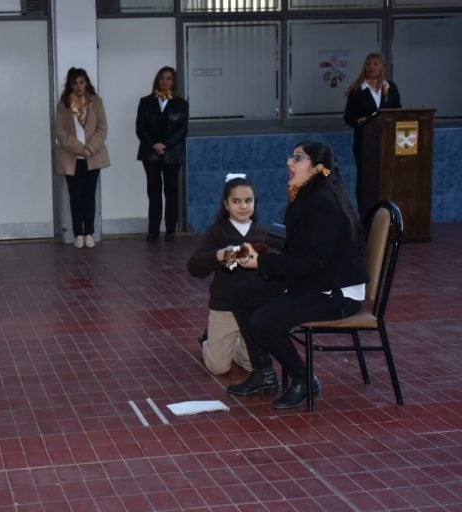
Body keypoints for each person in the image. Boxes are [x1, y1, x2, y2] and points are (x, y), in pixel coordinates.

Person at [226, 141, 368, 409]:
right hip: (315, 281)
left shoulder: (322, 202)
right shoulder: (309, 195)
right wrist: (264, 256)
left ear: (316, 168)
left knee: (263, 321)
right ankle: (264, 373)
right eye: (292, 157)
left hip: (336, 292)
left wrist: (262, 263)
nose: (289, 163)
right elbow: (303, 252)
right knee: (240, 294)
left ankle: (304, 379)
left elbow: (311, 261)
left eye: (298, 158)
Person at [187, 174, 267, 375]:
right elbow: (195, 267)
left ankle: (239, 344)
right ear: (226, 204)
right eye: (236, 201)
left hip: (253, 308)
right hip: (224, 307)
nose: (243, 206)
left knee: (253, 365)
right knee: (218, 368)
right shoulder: (217, 232)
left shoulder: (263, 234)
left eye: (248, 201)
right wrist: (219, 255)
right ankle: (208, 341)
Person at [55, 67, 111, 249]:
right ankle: (78, 233)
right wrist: (79, 148)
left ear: (86, 83)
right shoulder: (63, 105)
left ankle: (89, 233)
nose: (78, 86)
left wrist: (90, 148)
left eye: (81, 82)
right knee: (75, 195)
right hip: (72, 157)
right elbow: (60, 132)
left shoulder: (96, 102)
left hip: (92, 156)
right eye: (74, 83)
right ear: (70, 86)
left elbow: (102, 128)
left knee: (89, 195)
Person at [136, 66, 189, 243]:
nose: (164, 82)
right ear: (156, 81)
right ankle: (153, 231)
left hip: (172, 154)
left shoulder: (181, 104)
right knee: (154, 191)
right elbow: (140, 128)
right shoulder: (145, 102)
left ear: (173, 82)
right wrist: (154, 144)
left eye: (168, 78)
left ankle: (171, 231)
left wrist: (165, 145)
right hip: (150, 153)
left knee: (171, 191)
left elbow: (182, 130)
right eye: (161, 78)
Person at [344, 53, 402, 214]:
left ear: (382, 67)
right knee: (366, 179)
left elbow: (397, 111)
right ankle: (366, 215)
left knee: (386, 177)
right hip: (365, 142)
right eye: (368, 64)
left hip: (387, 141)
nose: (371, 67)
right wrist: (359, 120)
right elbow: (348, 117)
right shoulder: (357, 90)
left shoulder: (390, 87)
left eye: (375, 64)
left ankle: (387, 214)